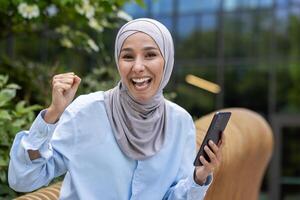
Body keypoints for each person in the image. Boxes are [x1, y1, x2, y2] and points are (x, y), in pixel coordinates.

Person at [8, 18, 224, 200]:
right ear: (118, 61)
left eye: (150, 55)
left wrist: (200, 176)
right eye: (128, 56)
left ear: (167, 60)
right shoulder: (86, 111)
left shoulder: (180, 122)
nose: (138, 67)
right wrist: (53, 114)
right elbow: (25, 178)